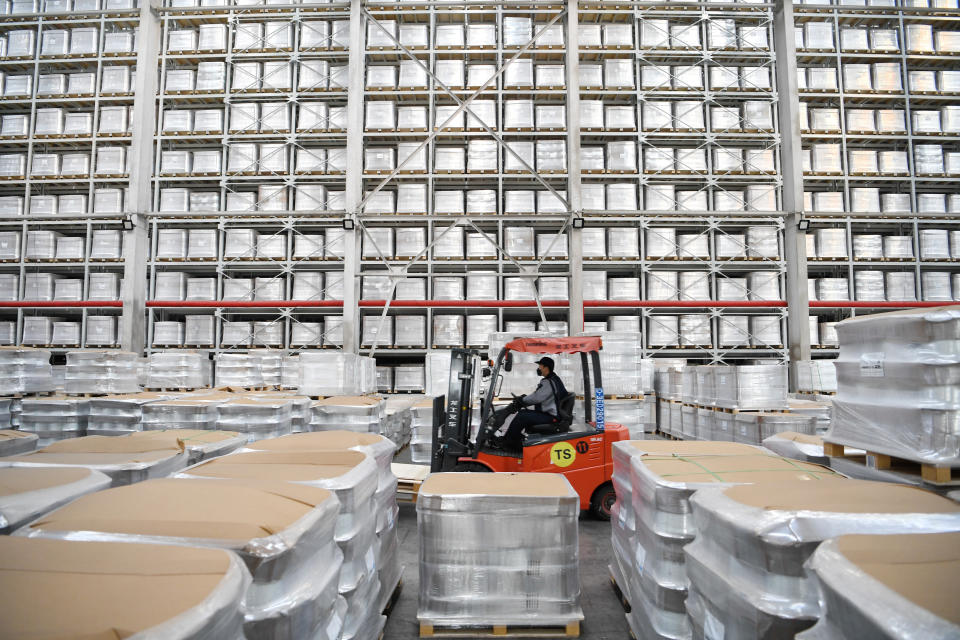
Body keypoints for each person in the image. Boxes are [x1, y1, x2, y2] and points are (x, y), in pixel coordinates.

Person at [500, 356, 568, 451]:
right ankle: (512, 439)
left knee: (522, 417)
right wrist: (524, 399)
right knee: (523, 413)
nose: (538, 368)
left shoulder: (549, 382)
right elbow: (538, 396)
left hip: (552, 417)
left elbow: (537, 397)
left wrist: (523, 400)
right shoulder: (553, 379)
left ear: (546, 368)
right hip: (551, 413)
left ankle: (509, 443)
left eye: (540, 366)